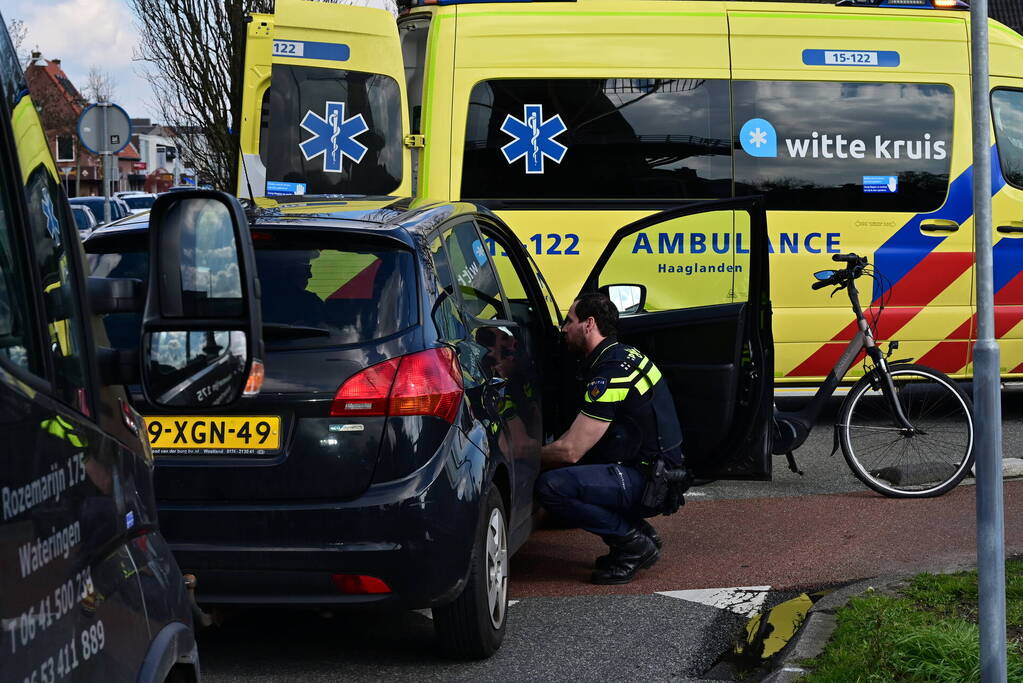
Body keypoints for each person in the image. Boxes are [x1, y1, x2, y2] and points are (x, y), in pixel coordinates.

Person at [537, 292, 685, 585]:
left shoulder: (610, 374)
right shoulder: (624, 355)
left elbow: (571, 451)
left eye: (569, 321)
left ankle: (632, 544)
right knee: (577, 471)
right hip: (660, 473)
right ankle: (638, 532)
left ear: (589, 324)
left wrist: (522, 456)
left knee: (551, 486)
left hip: (649, 482)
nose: (564, 329)